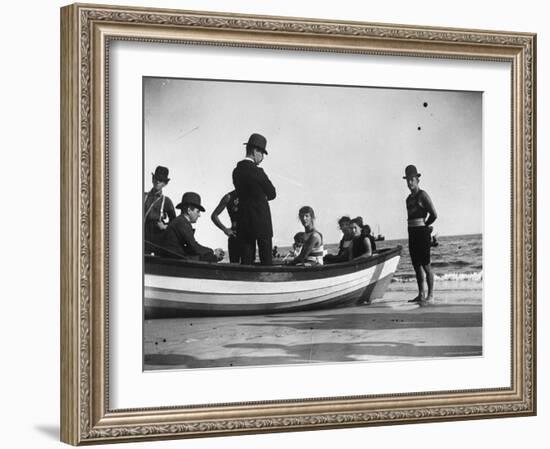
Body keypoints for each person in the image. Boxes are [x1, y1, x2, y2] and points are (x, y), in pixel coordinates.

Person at [232, 133, 276, 265]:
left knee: (246, 260)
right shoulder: (258, 172)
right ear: (255, 151)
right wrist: (261, 197)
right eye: (262, 153)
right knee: (266, 260)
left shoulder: (236, 171)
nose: (262, 158)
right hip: (262, 221)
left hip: (244, 221)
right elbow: (272, 193)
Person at [403, 164, 438, 304]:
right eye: (408, 180)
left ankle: (430, 295)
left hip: (422, 233)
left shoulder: (423, 195)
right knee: (416, 266)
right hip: (412, 234)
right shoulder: (408, 199)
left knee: (426, 265)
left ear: (417, 180)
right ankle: (420, 295)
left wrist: (425, 226)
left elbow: (434, 214)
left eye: (412, 179)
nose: (410, 182)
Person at [161, 192, 224, 262]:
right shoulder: (182, 223)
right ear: (189, 210)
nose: (199, 215)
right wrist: (213, 252)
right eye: (197, 211)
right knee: (210, 257)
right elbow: (194, 247)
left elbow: (191, 247)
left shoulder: (180, 221)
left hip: (173, 258)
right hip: (173, 260)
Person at [143, 166, 176, 254]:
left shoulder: (166, 201)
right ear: (153, 179)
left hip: (156, 238)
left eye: (161, 180)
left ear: (165, 184)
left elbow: (175, 222)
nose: (157, 181)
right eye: (156, 178)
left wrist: (165, 226)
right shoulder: (143, 196)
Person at [210, 190, 242, 263]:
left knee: (249, 266)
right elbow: (214, 215)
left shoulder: (251, 195)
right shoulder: (229, 197)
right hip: (235, 236)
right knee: (234, 266)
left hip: (248, 239)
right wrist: (225, 229)